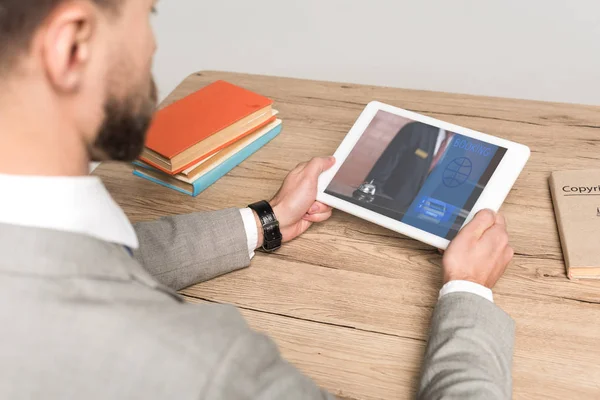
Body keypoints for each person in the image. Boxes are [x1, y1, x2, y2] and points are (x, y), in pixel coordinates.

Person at [0, 1, 515, 399]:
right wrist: (468, 295)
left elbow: (82, 261)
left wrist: (262, 221)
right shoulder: (204, 366)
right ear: (71, 47)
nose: (152, 44)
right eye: (145, 13)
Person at [357, 122, 455, 215]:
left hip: (416, 212)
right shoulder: (416, 129)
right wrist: (367, 199)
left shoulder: (460, 147)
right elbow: (384, 167)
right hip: (385, 202)